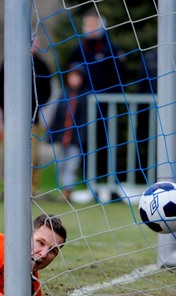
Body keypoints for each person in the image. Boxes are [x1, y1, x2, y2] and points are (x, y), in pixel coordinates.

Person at [66, 10, 126, 192]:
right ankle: (87, 184)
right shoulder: (79, 48)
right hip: (84, 109)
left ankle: (110, 185)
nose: (89, 28)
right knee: (85, 144)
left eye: (93, 24)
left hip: (107, 108)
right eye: (87, 24)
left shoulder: (110, 48)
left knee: (107, 144)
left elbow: (119, 77)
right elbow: (69, 72)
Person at [0, 38, 52, 194]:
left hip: (33, 119)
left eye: (35, 43)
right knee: (8, 152)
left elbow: (47, 91)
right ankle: (8, 186)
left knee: (32, 154)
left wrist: (36, 106)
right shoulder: (9, 62)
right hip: (10, 119)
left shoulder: (42, 66)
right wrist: (6, 106)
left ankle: (32, 187)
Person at [51, 69, 88, 201]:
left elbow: (85, 120)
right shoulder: (64, 95)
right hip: (62, 138)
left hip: (76, 140)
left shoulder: (84, 96)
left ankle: (68, 192)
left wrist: (83, 138)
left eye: (76, 77)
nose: (74, 80)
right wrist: (52, 135)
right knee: (61, 165)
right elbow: (57, 116)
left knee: (71, 166)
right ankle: (64, 191)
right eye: (71, 76)